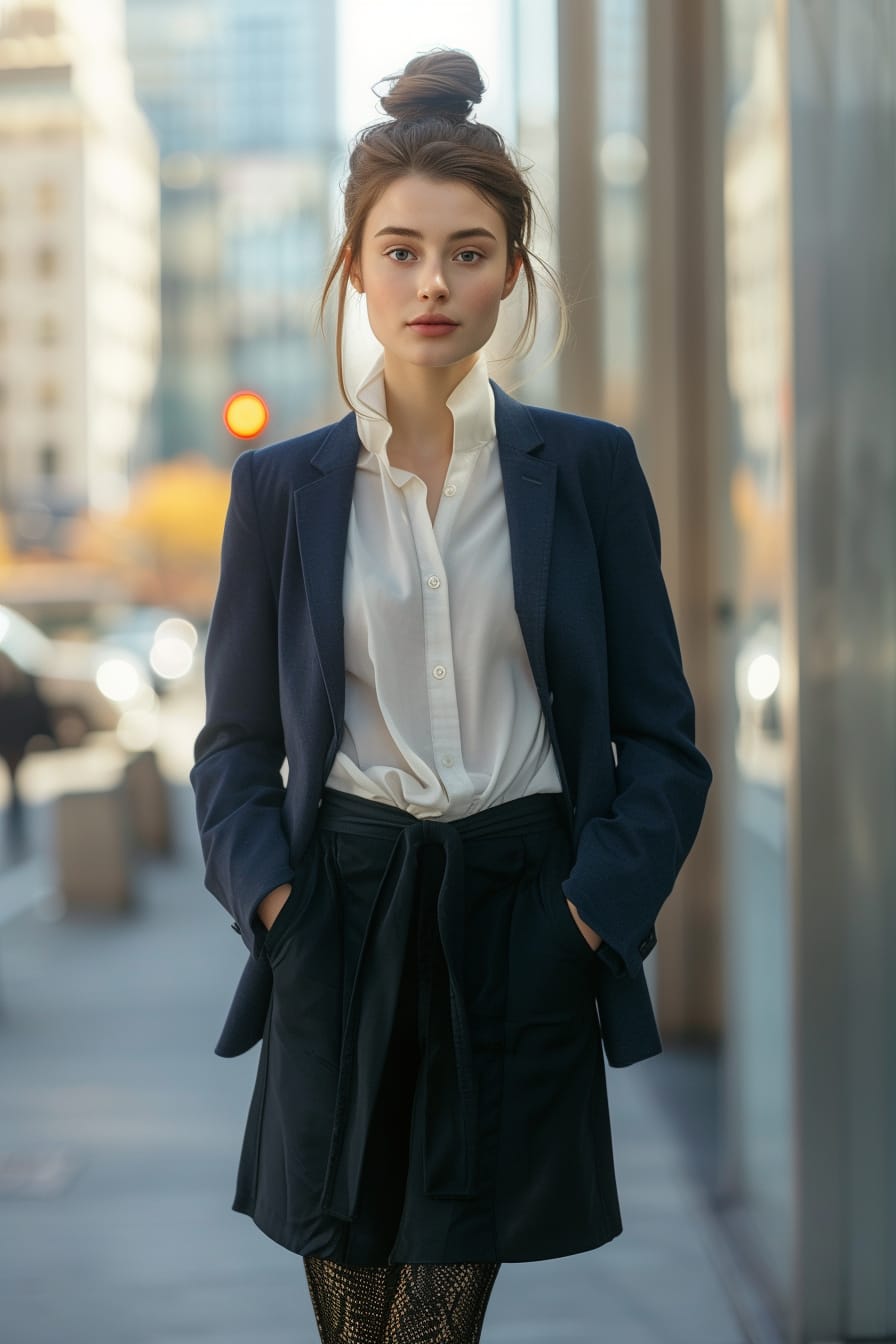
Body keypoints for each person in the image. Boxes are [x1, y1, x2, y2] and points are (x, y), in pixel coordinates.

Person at [190, 48, 713, 1344]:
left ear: (514, 272)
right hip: (337, 913)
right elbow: (234, 744)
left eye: (469, 252)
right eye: (404, 250)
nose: (435, 283)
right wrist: (273, 900)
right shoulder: (281, 491)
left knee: (432, 1327)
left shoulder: (587, 470)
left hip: (521, 912)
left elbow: (662, 741)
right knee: (351, 1314)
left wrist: (589, 915)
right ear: (355, 268)